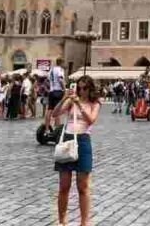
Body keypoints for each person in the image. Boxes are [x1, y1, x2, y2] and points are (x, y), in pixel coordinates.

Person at [52, 75, 101, 226]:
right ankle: (61, 221)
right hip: (68, 138)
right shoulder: (71, 101)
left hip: (83, 140)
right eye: (79, 88)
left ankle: (84, 222)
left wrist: (79, 104)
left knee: (83, 186)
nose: (81, 90)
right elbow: (55, 114)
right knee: (64, 186)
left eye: (84, 88)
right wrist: (64, 98)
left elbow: (91, 120)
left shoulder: (95, 103)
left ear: (90, 88)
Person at [45, 58, 66, 131]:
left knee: (49, 110)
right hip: (58, 91)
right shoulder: (60, 69)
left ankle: (47, 128)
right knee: (58, 110)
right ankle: (57, 129)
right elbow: (60, 79)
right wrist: (64, 89)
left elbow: (47, 81)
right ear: (61, 63)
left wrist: (50, 87)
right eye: (64, 63)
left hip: (51, 91)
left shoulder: (51, 70)